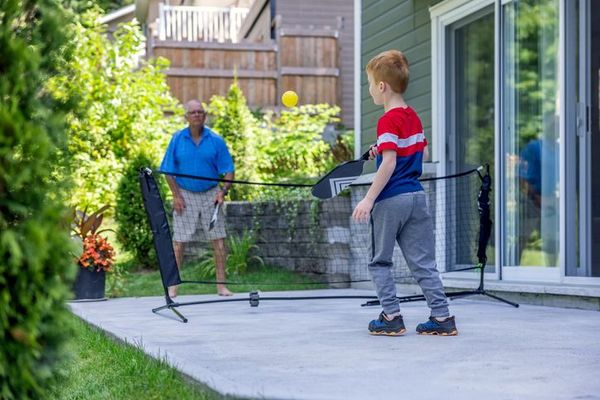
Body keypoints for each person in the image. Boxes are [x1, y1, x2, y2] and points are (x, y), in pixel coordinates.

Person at [352, 50, 457, 336]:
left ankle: (391, 317)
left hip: (390, 200)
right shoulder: (414, 118)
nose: (370, 89)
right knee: (424, 263)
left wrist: (369, 198)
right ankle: (442, 317)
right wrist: (383, 150)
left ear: (382, 87)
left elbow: (389, 162)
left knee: (380, 260)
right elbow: (417, 154)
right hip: (416, 196)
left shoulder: (387, 120)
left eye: (371, 84)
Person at [161, 99, 235, 297]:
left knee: (219, 241)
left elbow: (228, 170)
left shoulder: (216, 140)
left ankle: (221, 286)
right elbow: (168, 171)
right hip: (185, 194)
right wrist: (176, 196)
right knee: (179, 242)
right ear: (186, 117)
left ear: (205, 116)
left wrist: (223, 191)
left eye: (200, 112)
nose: (196, 115)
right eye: (192, 112)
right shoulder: (177, 139)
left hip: (211, 194)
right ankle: (173, 286)